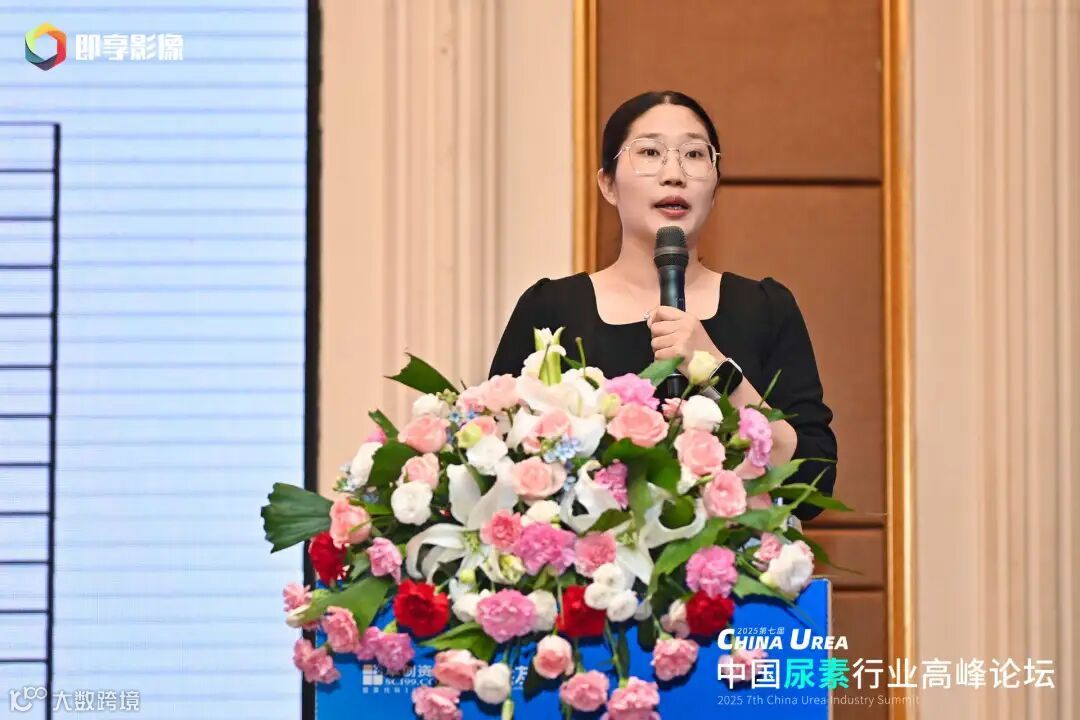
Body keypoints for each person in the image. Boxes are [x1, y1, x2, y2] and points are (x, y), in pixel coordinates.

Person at [487, 90, 837, 521]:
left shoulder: (766, 309)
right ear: (608, 184)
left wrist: (715, 372)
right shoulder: (551, 310)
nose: (674, 174)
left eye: (694, 154)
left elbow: (815, 481)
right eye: (650, 152)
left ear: (715, 186)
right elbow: (494, 464)